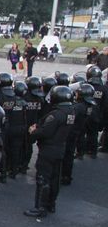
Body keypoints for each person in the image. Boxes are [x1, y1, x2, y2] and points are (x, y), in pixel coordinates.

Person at [24, 86, 75, 218]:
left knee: (43, 178)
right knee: (55, 178)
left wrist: (33, 131)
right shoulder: (71, 111)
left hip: (49, 149)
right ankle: (51, 203)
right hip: (60, 147)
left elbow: (45, 132)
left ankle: (40, 207)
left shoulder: (55, 114)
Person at [61, 84, 94, 184]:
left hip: (70, 133)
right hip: (77, 131)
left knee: (66, 155)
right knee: (69, 154)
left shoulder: (78, 107)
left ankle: (64, 175)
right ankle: (67, 176)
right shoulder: (88, 105)